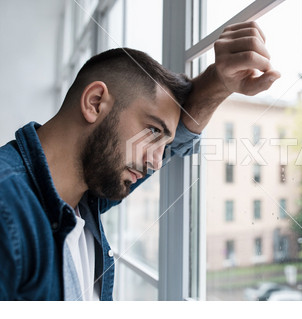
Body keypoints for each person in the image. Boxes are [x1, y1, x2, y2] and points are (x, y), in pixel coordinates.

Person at [0, 21, 280, 300]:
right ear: (95, 102)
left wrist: (218, 81)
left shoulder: (85, 194)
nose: (156, 163)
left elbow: (179, 128)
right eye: (153, 131)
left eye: (164, 143)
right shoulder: (7, 207)